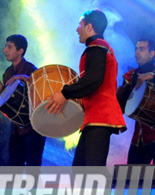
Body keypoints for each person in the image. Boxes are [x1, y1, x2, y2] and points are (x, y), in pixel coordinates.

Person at [45, 9, 126, 166]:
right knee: (81, 171)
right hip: (95, 117)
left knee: (92, 173)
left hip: (100, 116)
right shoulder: (100, 47)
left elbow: (92, 80)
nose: (77, 29)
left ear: (89, 27)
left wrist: (64, 93)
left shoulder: (97, 47)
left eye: (80, 25)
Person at [117, 39, 155, 164]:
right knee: (132, 178)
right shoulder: (130, 76)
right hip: (139, 136)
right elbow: (122, 107)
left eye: (142, 49)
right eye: (136, 49)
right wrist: (119, 97)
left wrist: (153, 77)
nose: (137, 52)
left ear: (152, 53)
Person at [0, 34, 46, 166]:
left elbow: (42, 89)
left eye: (9, 47)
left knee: (33, 168)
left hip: (35, 128)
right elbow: (9, 101)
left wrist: (21, 77)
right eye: (6, 47)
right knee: (14, 167)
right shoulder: (8, 72)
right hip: (16, 129)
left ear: (20, 51)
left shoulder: (31, 69)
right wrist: (1, 92)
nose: (5, 50)